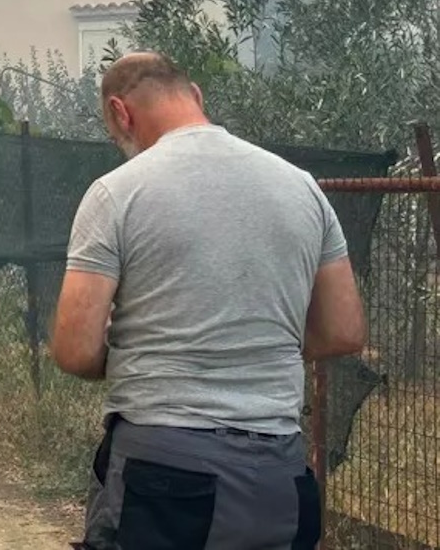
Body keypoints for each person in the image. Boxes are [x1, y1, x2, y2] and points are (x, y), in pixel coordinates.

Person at [51, 52, 367, 550]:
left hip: (163, 473)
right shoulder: (301, 187)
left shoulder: (116, 193)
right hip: (279, 476)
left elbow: (73, 349)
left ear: (120, 113)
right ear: (196, 95)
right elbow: (345, 330)